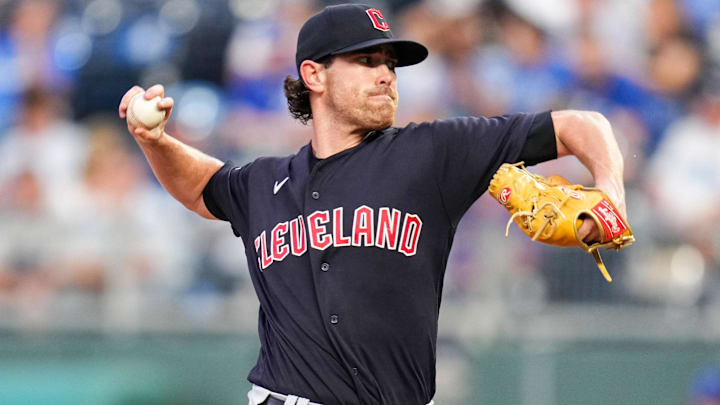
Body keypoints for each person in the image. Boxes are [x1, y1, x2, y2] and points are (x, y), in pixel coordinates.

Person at [118, 4, 627, 405]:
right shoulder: (265, 182)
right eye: (366, 61)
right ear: (314, 75)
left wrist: (611, 191)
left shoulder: (433, 151)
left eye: (390, 64)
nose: (386, 74)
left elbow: (583, 125)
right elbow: (202, 187)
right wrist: (154, 140)